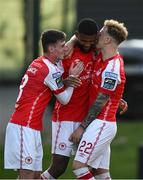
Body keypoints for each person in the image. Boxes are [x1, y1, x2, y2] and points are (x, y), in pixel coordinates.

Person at [41, 19, 128, 179]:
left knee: (88, 168)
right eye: (83, 40)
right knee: (59, 167)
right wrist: (67, 80)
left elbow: (106, 88)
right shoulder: (67, 51)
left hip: (91, 120)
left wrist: (114, 96)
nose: (88, 44)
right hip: (68, 117)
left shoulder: (100, 55)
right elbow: (49, 76)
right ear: (77, 36)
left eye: (95, 37)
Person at [4, 29, 83, 179]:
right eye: (61, 45)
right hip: (23, 126)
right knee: (27, 174)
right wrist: (72, 80)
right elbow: (64, 99)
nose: (64, 48)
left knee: (34, 176)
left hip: (30, 127)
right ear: (51, 48)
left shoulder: (40, 62)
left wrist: (74, 39)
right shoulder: (49, 70)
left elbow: (56, 72)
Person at [69, 19, 128, 179]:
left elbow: (101, 100)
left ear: (107, 40)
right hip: (99, 123)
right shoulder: (101, 58)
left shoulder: (112, 66)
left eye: (100, 34)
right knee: (102, 174)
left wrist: (81, 127)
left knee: (79, 167)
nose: (96, 36)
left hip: (102, 124)